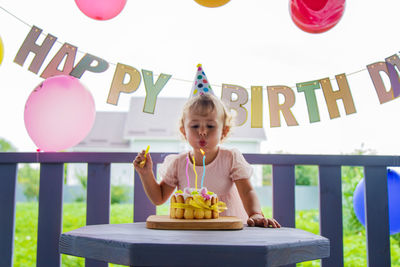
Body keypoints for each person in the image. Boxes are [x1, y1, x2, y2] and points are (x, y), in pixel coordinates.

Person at [133, 93, 280, 228]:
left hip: (228, 232)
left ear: (224, 131)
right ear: (184, 131)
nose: (202, 131)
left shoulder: (230, 158)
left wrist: (255, 214)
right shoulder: (178, 164)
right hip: (192, 233)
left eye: (210, 126)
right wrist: (146, 174)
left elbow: (247, 191)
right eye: (195, 125)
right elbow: (158, 198)